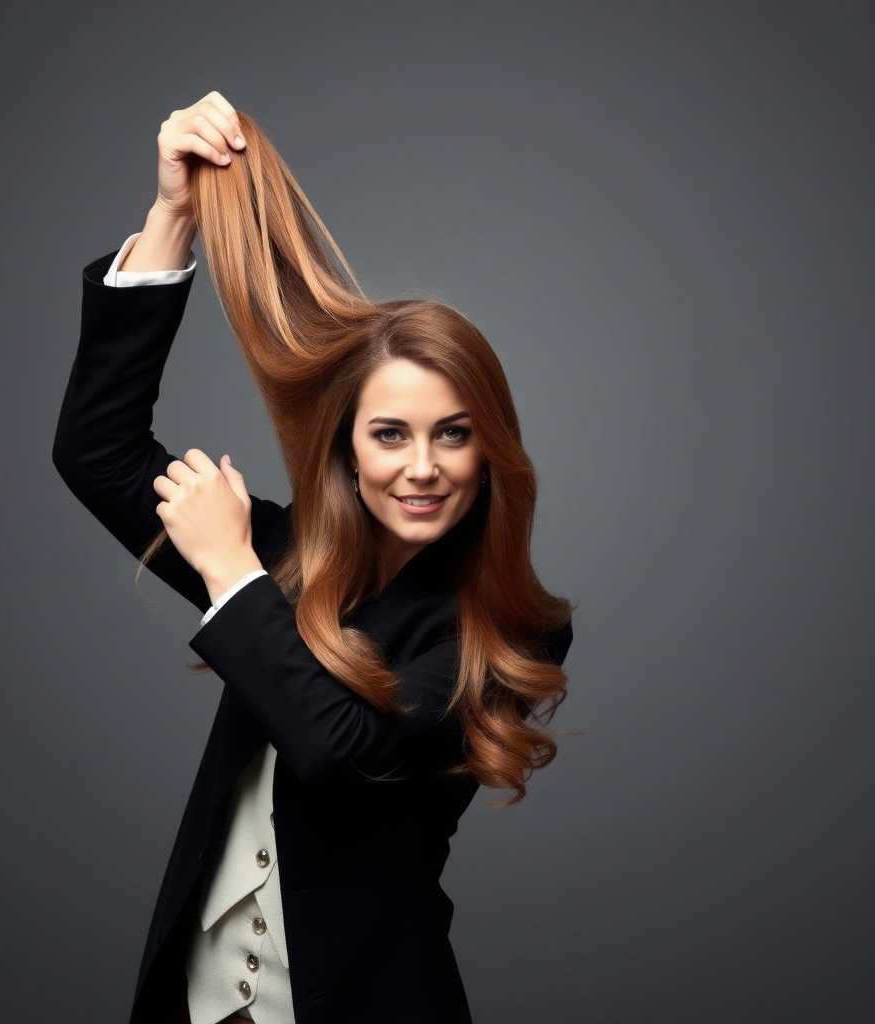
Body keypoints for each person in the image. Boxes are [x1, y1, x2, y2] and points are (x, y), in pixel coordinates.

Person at [52, 91, 574, 1024]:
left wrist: (230, 572)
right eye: (390, 435)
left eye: (452, 434)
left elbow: (342, 752)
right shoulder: (286, 553)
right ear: (349, 448)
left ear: (490, 447)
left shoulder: (509, 629)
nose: (422, 467)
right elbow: (97, 452)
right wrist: (171, 217)